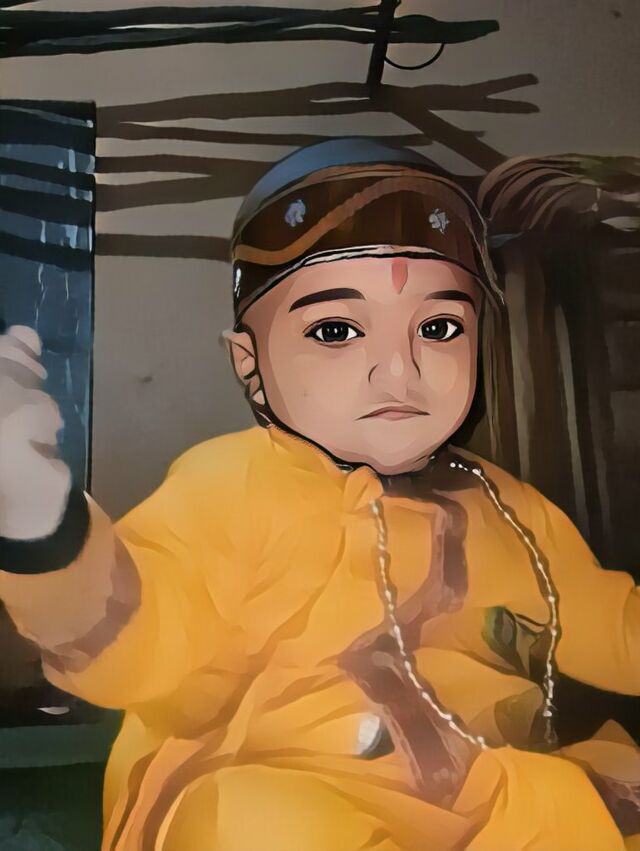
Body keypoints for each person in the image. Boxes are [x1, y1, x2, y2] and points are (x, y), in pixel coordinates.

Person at [0, 137, 638, 851]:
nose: (399, 372)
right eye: (336, 331)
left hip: (493, 804)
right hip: (294, 799)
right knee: (248, 821)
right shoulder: (233, 483)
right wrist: (44, 527)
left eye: (439, 328)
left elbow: (609, 624)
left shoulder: (505, 505)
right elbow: (142, 631)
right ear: (250, 364)